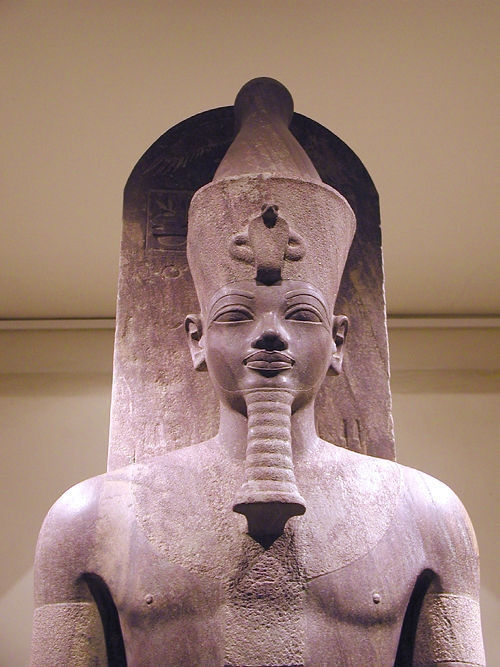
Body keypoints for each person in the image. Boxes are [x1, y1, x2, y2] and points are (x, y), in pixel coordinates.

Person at [31, 79, 485, 666]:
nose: (270, 333)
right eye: (236, 314)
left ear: (338, 341)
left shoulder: (428, 516)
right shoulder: (85, 520)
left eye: (300, 314)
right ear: (196, 339)